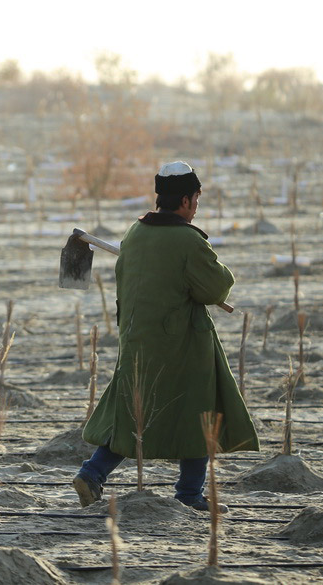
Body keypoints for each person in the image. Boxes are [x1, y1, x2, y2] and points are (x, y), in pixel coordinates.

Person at [73, 161, 259, 511]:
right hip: (183, 343)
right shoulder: (187, 240)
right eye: (197, 199)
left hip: (137, 339)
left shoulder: (135, 234)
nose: (197, 205)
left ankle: (92, 473)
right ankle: (189, 494)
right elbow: (215, 287)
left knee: (133, 411)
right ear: (186, 200)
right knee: (198, 409)